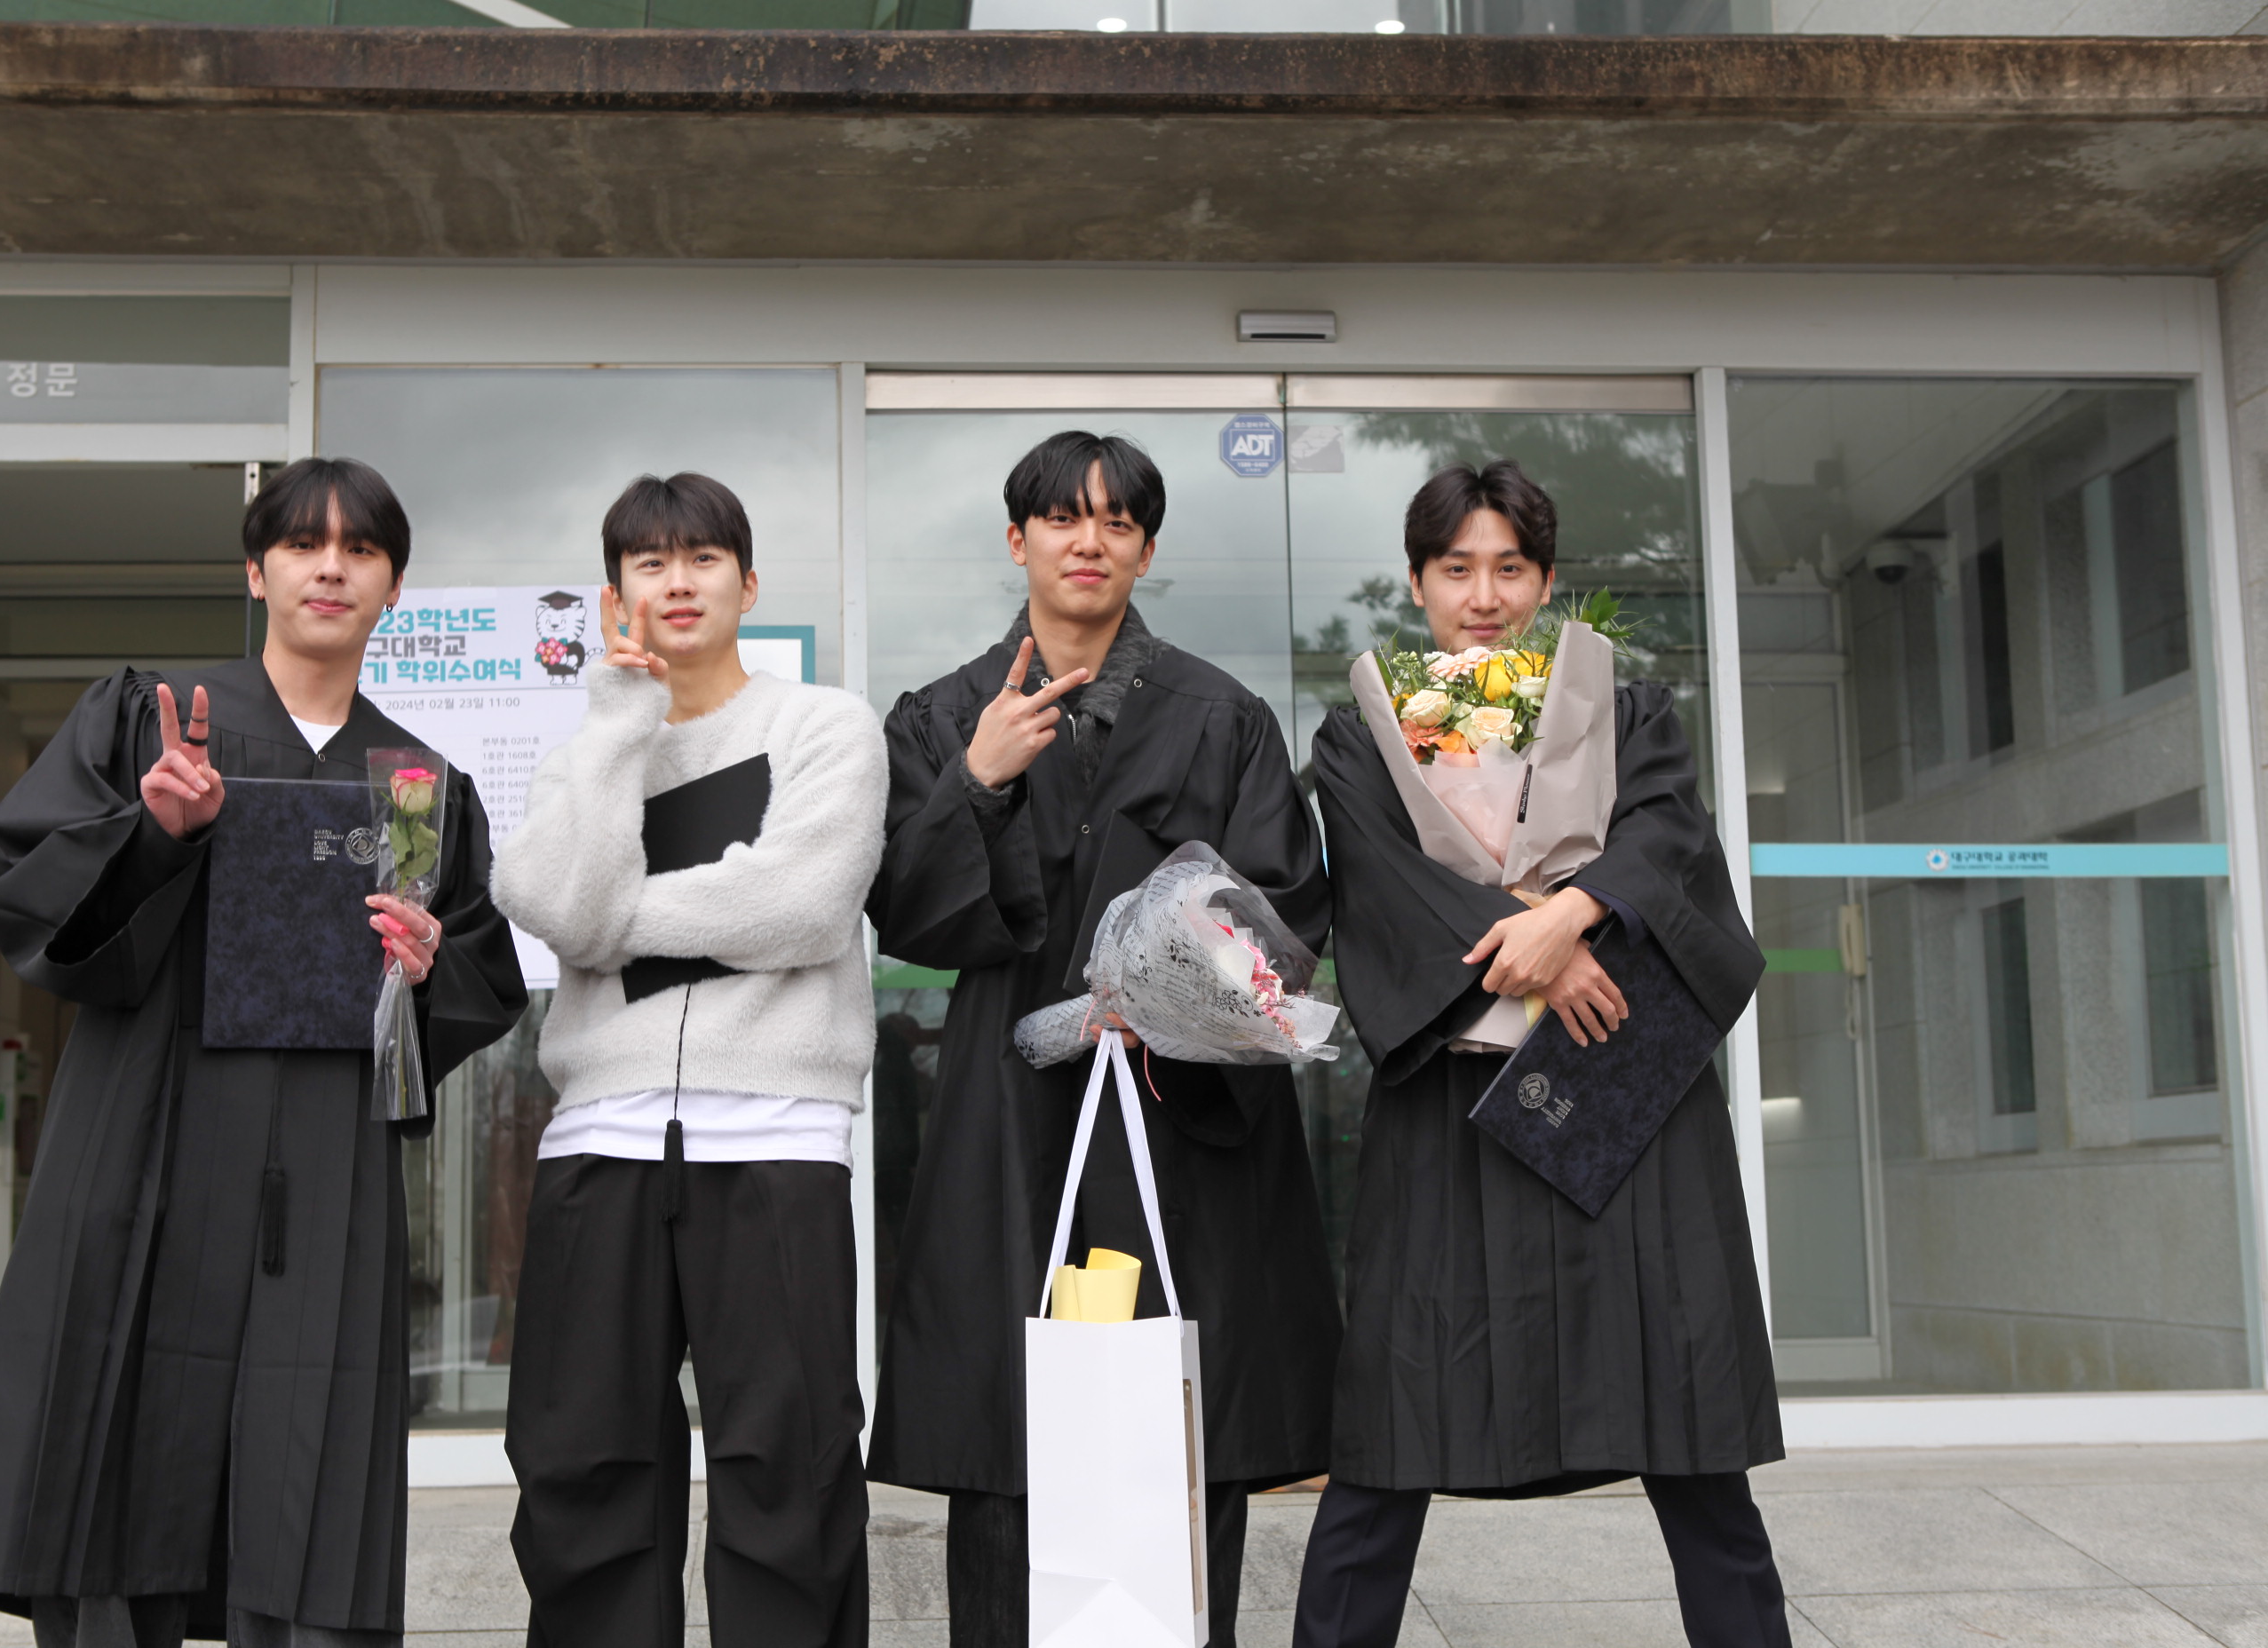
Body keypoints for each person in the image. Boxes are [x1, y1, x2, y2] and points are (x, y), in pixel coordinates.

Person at [0, 457, 528, 1647]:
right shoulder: (153, 717)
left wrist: (425, 964)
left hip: (325, 1146)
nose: (330, 568)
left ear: (393, 587)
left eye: (361, 549)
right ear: (257, 573)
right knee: (131, 1409)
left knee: (310, 1436)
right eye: (303, 544)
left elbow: (477, 975)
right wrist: (154, 832)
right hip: (153, 1121)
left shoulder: (414, 786)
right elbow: (20, 890)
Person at [1293, 460, 1788, 1648]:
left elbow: (1666, 833)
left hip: (1623, 1099)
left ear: (1546, 579)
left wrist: (1577, 910)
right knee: (1391, 1426)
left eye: (1509, 568)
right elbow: (1383, 883)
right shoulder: (1363, 732)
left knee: (1691, 1431)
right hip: (1450, 1105)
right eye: (1457, 568)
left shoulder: (1626, 707)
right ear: (1417, 582)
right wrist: (1542, 954)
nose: (1485, 595)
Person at [868, 432, 1342, 1648]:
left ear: (1145, 547)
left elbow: (1286, 914)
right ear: (1017, 538)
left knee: (1181, 1423)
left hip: (1182, 1112)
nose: (1090, 542)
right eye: (1064, 519)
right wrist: (976, 781)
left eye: (1117, 522)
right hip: (1007, 1108)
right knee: (1008, 1431)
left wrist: (1169, 987)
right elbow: (906, 914)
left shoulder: (1223, 717)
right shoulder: (942, 716)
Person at [490, 473, 887, 1648]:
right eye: (650, 562)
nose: (678, 580)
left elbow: (804, 904)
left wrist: (611, 921)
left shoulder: (823, 725)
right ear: (616, 593)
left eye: (703, 557)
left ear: (747, 584)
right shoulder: (587, 755)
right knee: (578, 1460)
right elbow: (542, 896)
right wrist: (621, 723)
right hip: (599, 1139)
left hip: (776, 1136)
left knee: (790, 1464)